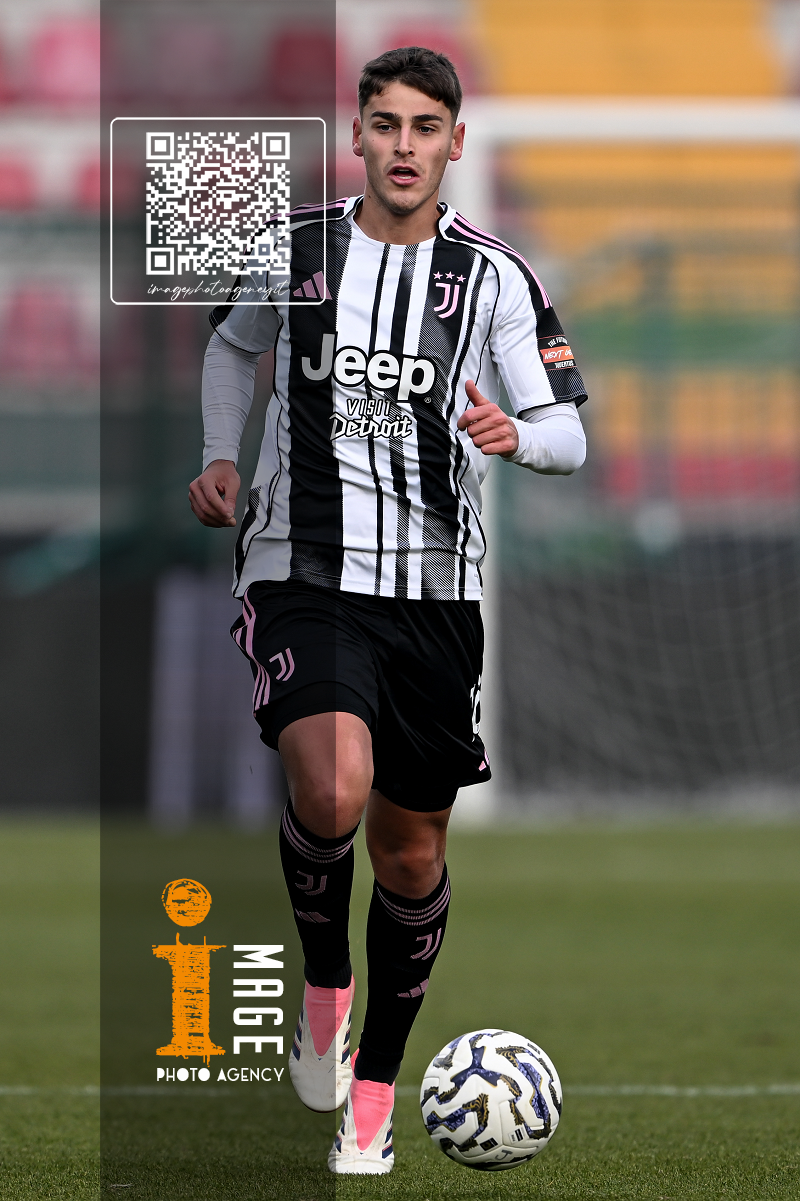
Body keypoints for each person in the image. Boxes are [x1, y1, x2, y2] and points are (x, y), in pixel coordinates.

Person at [189, 46, 587, 1175]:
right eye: (384, 124)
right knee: (331, 787)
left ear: (455, 142)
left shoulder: (494, 278)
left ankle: (372, 1099)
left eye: (424, 127)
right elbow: (232, 343)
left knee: (409, 856)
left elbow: (566, 430)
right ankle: (325, 986)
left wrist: (518, 438)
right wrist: (220, 453)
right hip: (303, 571)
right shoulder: (295, 250)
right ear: (356, 135)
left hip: (433, 595)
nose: (403, 145)